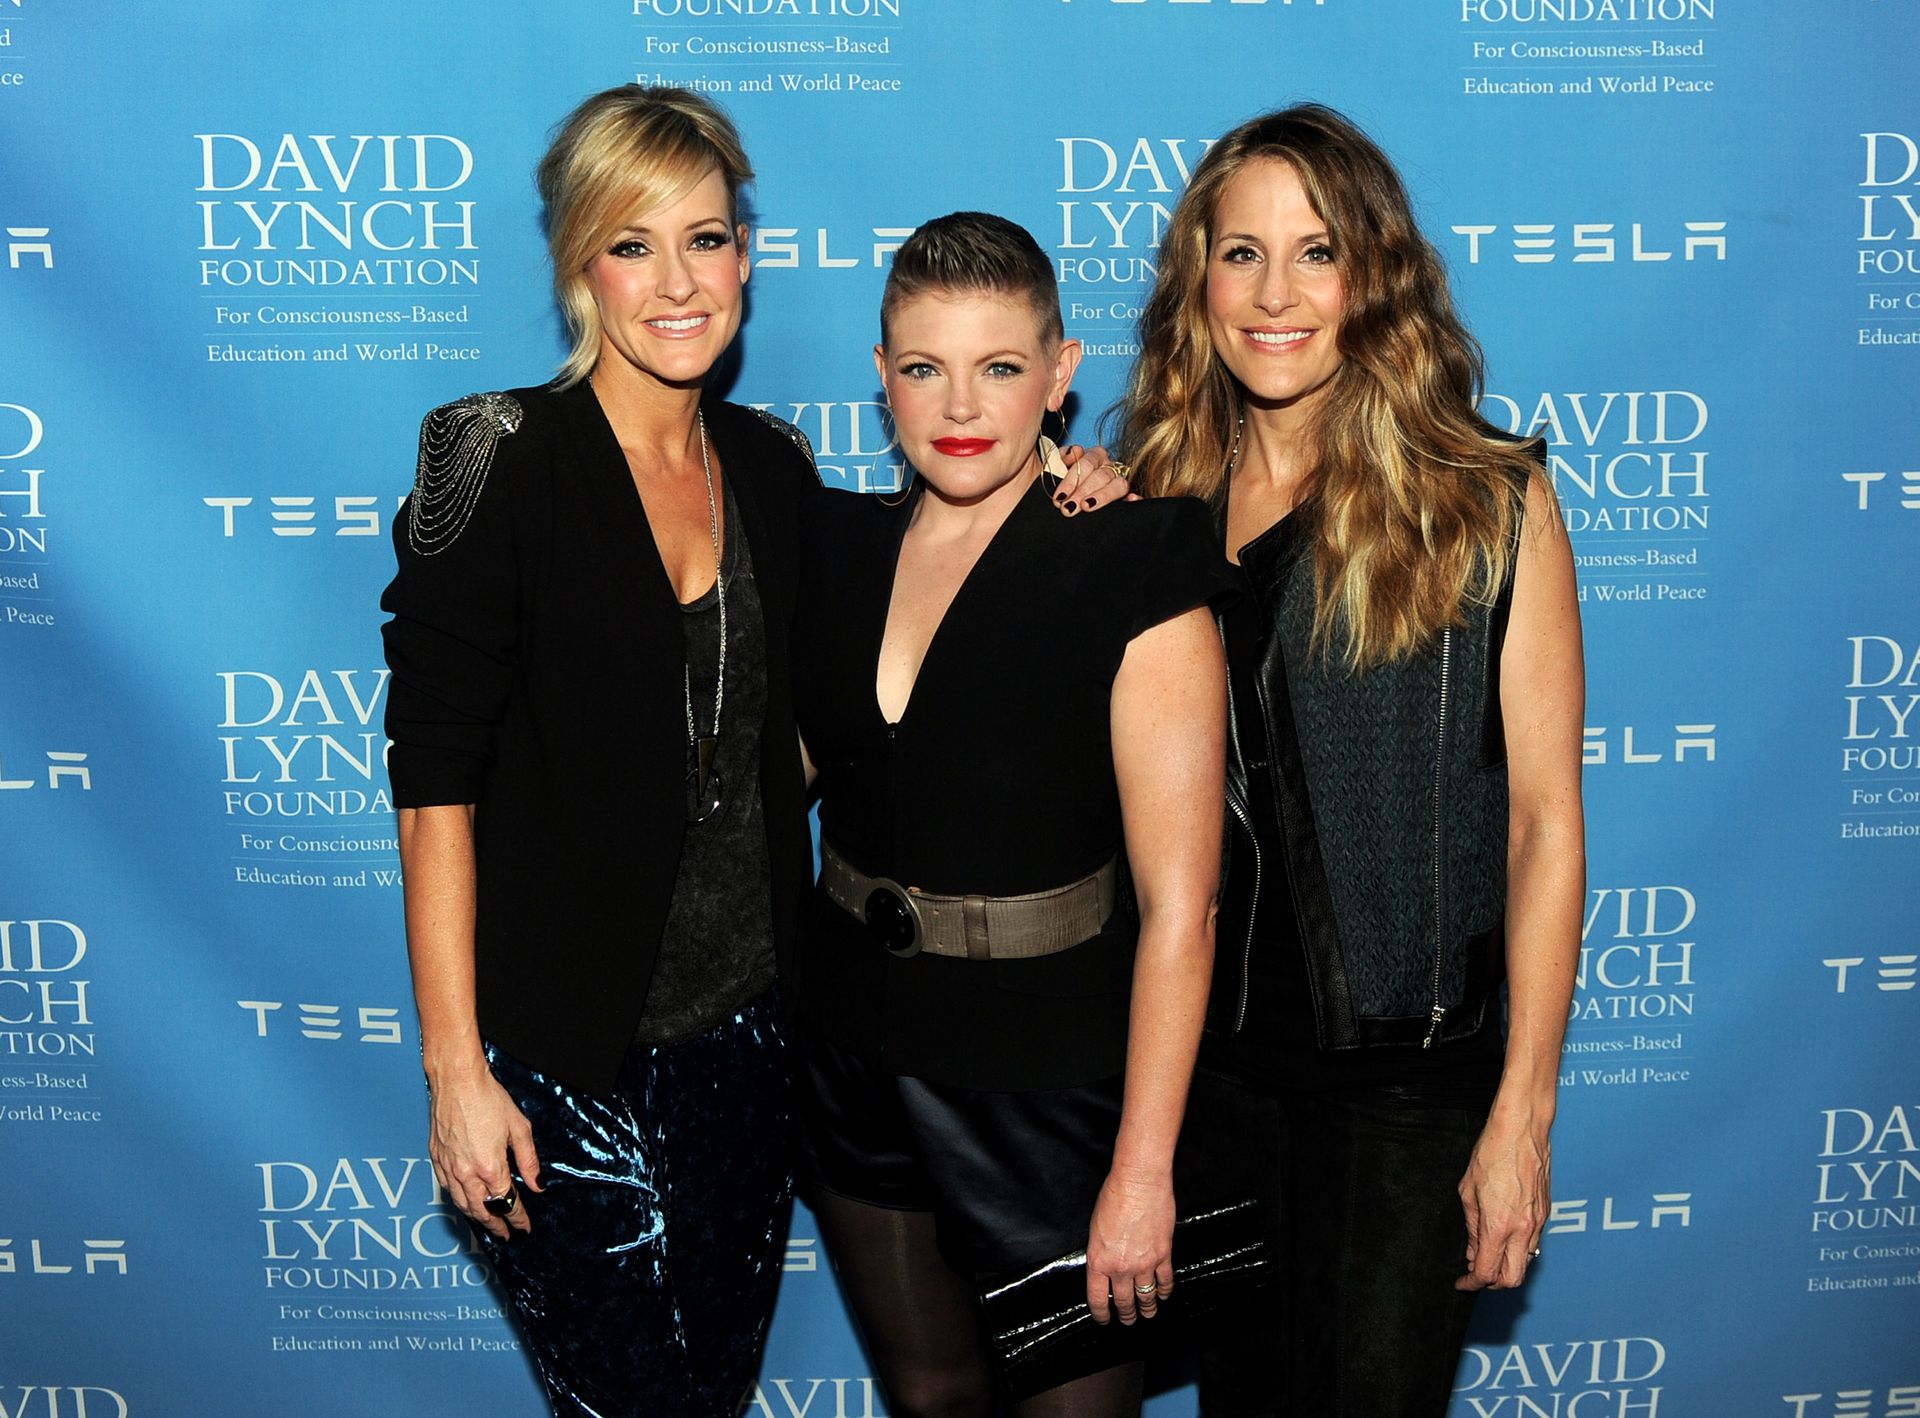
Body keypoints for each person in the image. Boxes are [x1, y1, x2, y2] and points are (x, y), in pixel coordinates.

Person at [379, 88, 1126, 1417]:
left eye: (707, 239)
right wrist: (458, 1072)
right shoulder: (496, 456)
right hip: (557, 1059)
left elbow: (930, 565)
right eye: (633, 242)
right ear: (579, 266)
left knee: (714, 1391)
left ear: (747, 257)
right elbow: (435, 786)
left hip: (754, 1044)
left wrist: (1071, 481)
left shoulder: (770, 468)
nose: (677, 281)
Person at [1112, 105, 1586, 1416]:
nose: (1276, 295)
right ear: (1195, 278)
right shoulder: (1150, 505)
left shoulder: (1487, 497)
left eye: (1315, 253)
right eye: (1242, 253)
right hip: (1213, 1082)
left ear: (1372, 275)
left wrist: (1522, 1121)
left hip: (1407, 1092)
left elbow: (1546, 825)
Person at [790, 212, 1234, 1418]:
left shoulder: (1132, 555)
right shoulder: (834, 548)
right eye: (925, 367)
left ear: (1061, 371)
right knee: (931, 1399)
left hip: (1055, 1080)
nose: (960, 404)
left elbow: (1182, 909)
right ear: (881, 377)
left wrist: (1145, 1169)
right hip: (858, 1046)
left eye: (999, 366)